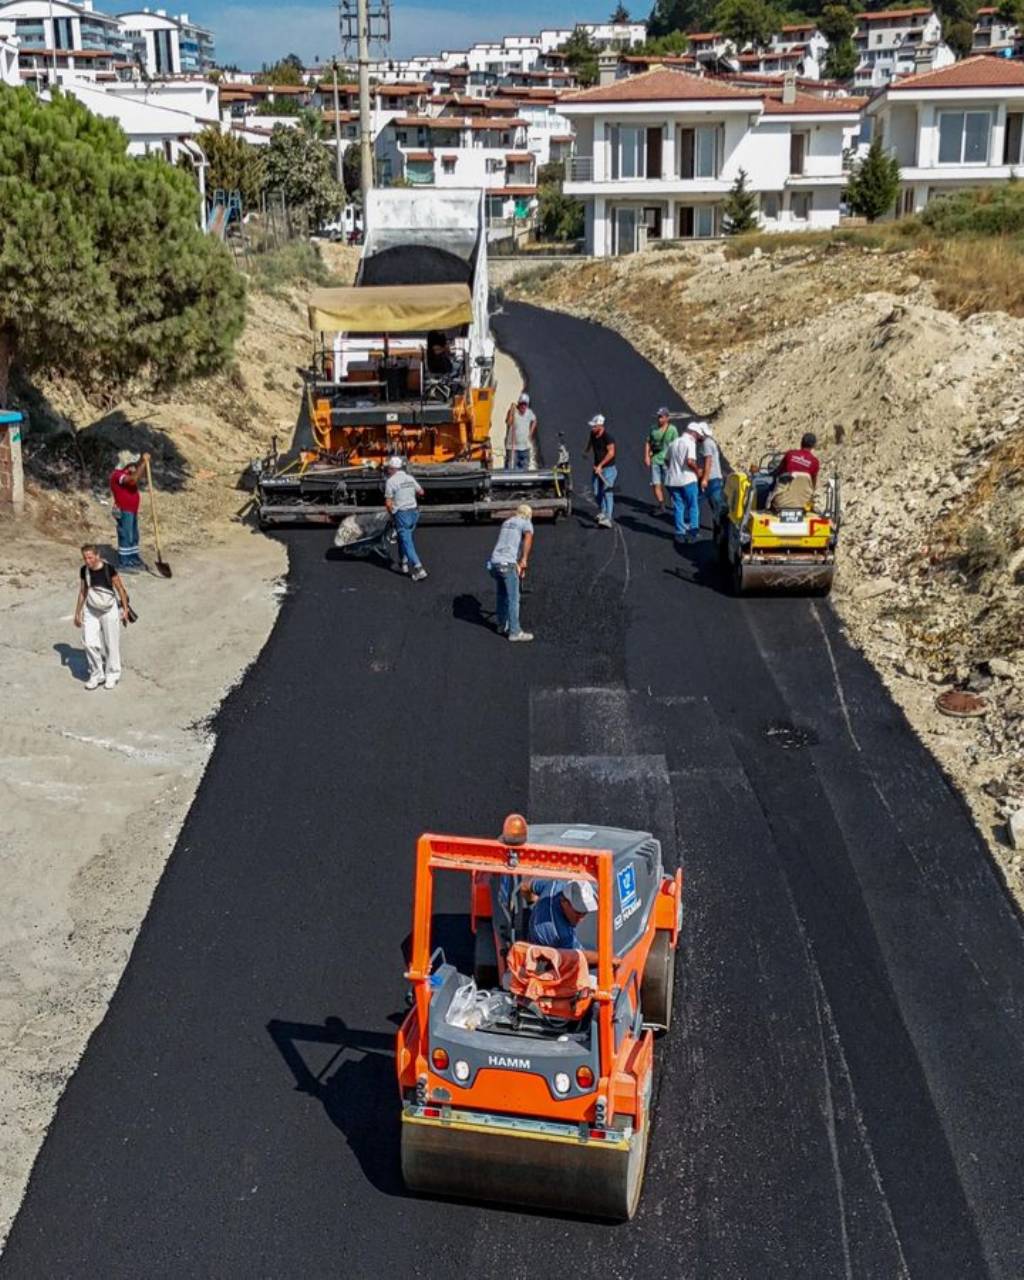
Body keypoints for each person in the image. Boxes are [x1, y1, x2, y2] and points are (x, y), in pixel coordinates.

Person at [74, 544, 131, 690]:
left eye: (90, 557)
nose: (87, 561)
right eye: (85, 558)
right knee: (89, 642)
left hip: (109, 609)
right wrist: (77, 612)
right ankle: (96, 674)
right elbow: (83, 592)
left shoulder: (108, 569)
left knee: (111, 644)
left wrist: (125, 609)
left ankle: (112, 674)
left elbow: (120, 589)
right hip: (91, 609)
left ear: (97, 556)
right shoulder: (84, 571)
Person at [488, 502, 534, 641]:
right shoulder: (526, 523)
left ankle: (502, 625)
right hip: (507, 564)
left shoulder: (507, 522)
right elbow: (527, 539)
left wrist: (517, 563)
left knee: (502, 595)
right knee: (514, 598)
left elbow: (511, 544)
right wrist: (524, 561)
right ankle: (515, 632)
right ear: (528, 515)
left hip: (494, 563)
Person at [527, 879, 598, 959]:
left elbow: (525, 886)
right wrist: (610, 960)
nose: (581, 919)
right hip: (538, 949)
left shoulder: (555, 886)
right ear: (564, 902)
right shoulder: (561, 934)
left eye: (585, 912)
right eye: (578, 912)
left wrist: (530, 902)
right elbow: (581, 956)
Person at [384, 456, 427, 582]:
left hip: (401, 514)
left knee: (407, 541)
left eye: (388, 468)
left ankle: (419, 569)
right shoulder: (410, 478)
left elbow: (388, 503)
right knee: (404, 537)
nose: (387, 470)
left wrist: (391, 515)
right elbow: (421, 492)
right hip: (413, 513)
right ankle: (403, 563)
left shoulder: (391, 482)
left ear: (392, 469)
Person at [109, 452, 149, 572]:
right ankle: (124, 562)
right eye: (131, 464)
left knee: (134, 535)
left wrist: (144, 465)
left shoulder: (128, 473)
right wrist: (143, 463)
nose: (134, 466)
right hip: (123, 510)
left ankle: (133, 558)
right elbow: (132, 481)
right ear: (125, 465)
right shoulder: (117, 475)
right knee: (126, 535)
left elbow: (138, 477)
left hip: (132, 510)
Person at [664, 424, 701, 542]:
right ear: (693, 433)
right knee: (693, 506)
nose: (698, 438)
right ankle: (693, 533)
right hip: (688, 479)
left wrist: (674, 469)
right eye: (698, 435)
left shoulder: (674, 443)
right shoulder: (690, 443)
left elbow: (666, 459)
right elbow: (690, 461)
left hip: (672, 480)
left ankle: (680, 533)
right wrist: (697, 471)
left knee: (678, 506)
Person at [770, 431, 820, 512]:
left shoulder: (790, 454)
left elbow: (778, 472)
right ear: (813, 446)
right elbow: (813, 484)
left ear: (801, 443)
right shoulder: (815, 462)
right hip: (804, 504)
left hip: (782, 503)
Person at [584, 414, 617, 528]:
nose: (592, 428)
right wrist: (586, 451)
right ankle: (603, 512)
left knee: (607, 492)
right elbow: (590, 442)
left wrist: (601, 465)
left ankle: (608, 517)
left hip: (608, 469)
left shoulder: (608, 437)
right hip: (597, 467)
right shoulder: (593, 434)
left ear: (600, 426)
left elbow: (611, 453)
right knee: (596, 490)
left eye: (594, 426)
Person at [644, 408, 678, 514]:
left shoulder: (672, 430)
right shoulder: (653, 429)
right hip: (655, 460)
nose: (659, 418)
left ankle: (676, 503)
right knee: (656, 483)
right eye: (659, 416)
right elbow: (648, 442)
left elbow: (676, 445)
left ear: (667, 418)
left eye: (661, 416)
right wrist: (646, 456)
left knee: (670, 484)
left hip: (667, 462)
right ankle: (661, 505)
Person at [694, 421, 725, 519]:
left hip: (712, 479)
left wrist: (705, 479)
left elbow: (708, 461)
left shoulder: (707, 443)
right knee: (713, 504)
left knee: (716, 504)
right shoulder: (707, 442)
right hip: (711, 478)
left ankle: (721, 527)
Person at [505, 393, 537, 471]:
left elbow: (535, 420)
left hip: (525, 448)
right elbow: (508, 422)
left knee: (524, 471)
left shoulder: (529, 413)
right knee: (511, 472)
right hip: (513, 448)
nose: (523, 406)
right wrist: (511, 411)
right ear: (519, 403)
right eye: (522, 404)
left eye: (525, 404)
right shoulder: (513, 412)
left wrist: (530, 433)